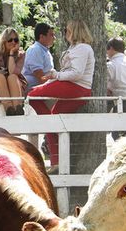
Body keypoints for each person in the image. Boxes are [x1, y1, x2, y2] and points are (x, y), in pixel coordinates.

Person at [28, 20, 95, 168]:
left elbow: (77, 73)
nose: (65, 33)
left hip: (76, 87)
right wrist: (55, 77)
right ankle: (57, 162)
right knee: (53, 118)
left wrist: (56, 75)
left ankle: (56, 156)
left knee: (32, 95)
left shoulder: (83, 48)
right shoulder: (77, 48)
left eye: (67, 30)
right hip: (74, 86)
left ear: (73, 32)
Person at [0, 27, 27, 115]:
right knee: (0, 77)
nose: (13, 42)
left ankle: (17, 108)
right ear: (4, 40)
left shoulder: (21, 55)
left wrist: (12, 54)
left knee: (12, 77)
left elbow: (13, 72)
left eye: (15, 40)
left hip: (16, 84)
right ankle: (9, 109)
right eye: (10, 40)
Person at [21, 22, 55, 90]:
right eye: (51, 35)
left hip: (42, 87)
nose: (54, 38)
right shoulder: (35, 50)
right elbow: (40, 77)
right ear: (42, 36)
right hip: (33, 90)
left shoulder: (44, 51)